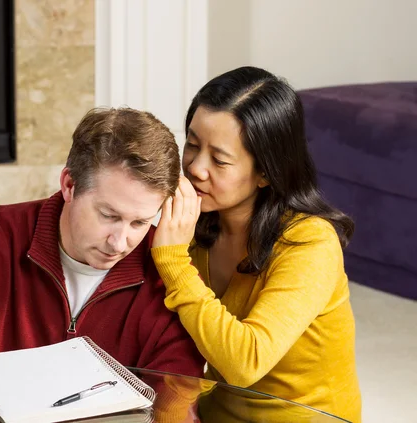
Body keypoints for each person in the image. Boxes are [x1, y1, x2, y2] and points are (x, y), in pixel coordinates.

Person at [0, 107, 204, 379]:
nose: (119, 242)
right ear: (69, 185)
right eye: (108, 215)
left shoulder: (168, 280)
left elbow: (175, 406)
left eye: (139, 222)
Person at [151, 66, 361, 422]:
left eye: (219, 159)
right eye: (192, 144)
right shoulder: (195, 223)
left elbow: (244, 361)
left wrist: (172, 262)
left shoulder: (310, 242)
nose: (196, 168)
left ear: (266, 171)